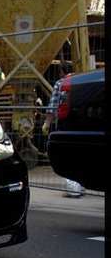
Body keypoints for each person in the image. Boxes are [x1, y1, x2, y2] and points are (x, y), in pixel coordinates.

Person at [42, 63, 85, 198]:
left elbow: (53, 105)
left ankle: (73, 188)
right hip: (82, 122)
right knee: (80, 154)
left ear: (62, 72)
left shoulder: (61, 83)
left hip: (66, 123)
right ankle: (81, 185)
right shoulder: (82, 81)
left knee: (67, 154)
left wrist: (47, 122)